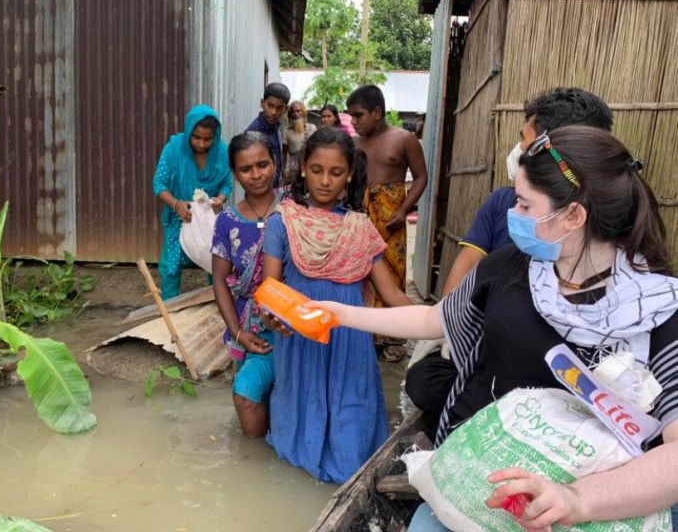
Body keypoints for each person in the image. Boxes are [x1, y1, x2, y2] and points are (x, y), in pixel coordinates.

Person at [310, 125, 678, 530]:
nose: (511, 215)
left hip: (580, 506)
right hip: (471, 475)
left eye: (524, 204)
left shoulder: (658, 311)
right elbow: (437, 319)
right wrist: (339, 314)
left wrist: (578, 499)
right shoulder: (508, 267)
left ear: (573, 215)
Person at [406, 87, 615, 432]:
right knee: (427, 378)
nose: (516, 212)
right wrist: (449, 322)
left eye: (524, 139)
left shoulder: (625, 269)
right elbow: (461, 275)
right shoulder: (505, 245)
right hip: (496, 355)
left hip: (559, 389)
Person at [261, 127, 413, 484]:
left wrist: (443, 322)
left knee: (351, 420)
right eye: (316, 170)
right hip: (300, 338)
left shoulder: (361, 229)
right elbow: (269, 289)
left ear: (350, 174)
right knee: (300, 416)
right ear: (302, 168)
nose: (325, 181)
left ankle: (349, 479)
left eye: (336, 172)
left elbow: (391, 294)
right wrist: (271, 317)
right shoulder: (283, 221)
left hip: (350, 341)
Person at [211, 132, 280, 438]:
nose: (256, 175)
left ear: (275, 163)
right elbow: (220, 280)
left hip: (291, 324)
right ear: (235, 174)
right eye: (246, 169)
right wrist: (239, 332)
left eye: (262, 164)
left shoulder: (292, 207)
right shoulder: (227, 221)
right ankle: (254, 457)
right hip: (248, 327)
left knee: (287, 401)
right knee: (248, 395)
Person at [347, 85, 427, 301]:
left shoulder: (403, 139)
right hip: (359, 218)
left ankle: (391, 331)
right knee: (358, 273)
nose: (353, 121)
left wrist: (403, 210)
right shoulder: (353, 144)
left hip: (390, 220)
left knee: (391, 273)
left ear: (376, 113)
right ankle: (363, 332)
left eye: (358, 115)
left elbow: (421, 177)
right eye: (350, 116)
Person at [153, 105, 232, 299]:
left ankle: (218, 305)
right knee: (171, 265)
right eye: (196, 137)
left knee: (216, 263)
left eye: (208, 139)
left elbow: (227, 184)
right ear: (188, 131)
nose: (201, 144)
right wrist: (176, 204)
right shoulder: (174, 149)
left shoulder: (221, 151)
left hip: (209, 219)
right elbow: (159, 184)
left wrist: (219, 200)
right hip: (180, 217)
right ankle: (170, 309)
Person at [246, 82, 290, 188]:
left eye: (279, 108)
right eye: (270, 105)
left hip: (273, 189)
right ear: (262, 103)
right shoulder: (254, 132)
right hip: (259, 193)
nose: (273, 112)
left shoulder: (277, 126)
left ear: (285, 109)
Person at [283, 100, 317, 184]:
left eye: (298, 111)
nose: (295, 114)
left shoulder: (312, 128)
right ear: (290, 115)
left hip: (310, 166)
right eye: (293, 112)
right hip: (294, 170)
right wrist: (283, 170)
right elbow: (284, 153)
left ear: (303, 112)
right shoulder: (287, 132)